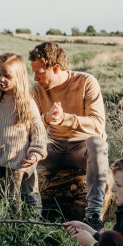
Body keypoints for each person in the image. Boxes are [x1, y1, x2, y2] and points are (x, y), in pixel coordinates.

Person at [29, 41, 109, 230]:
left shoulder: (86, 82)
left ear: (55, 68)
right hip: (53, 148)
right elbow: (26, 124)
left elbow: (98, 124)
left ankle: (94, 216)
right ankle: (31, 212)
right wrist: (46, 119)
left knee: (97, 143)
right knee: (23, 141)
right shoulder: (37, 90)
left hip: (81, 148)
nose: (35, 77)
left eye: (39, 72)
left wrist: (66, 119)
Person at [0, 53, 47, 210]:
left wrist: (35, 153)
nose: (1, 79)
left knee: (15, 198)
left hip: (17, 161)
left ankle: (25, 226)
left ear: (19, 78)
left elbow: (38, 131)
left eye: (7, 76)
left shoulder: (26, 104)